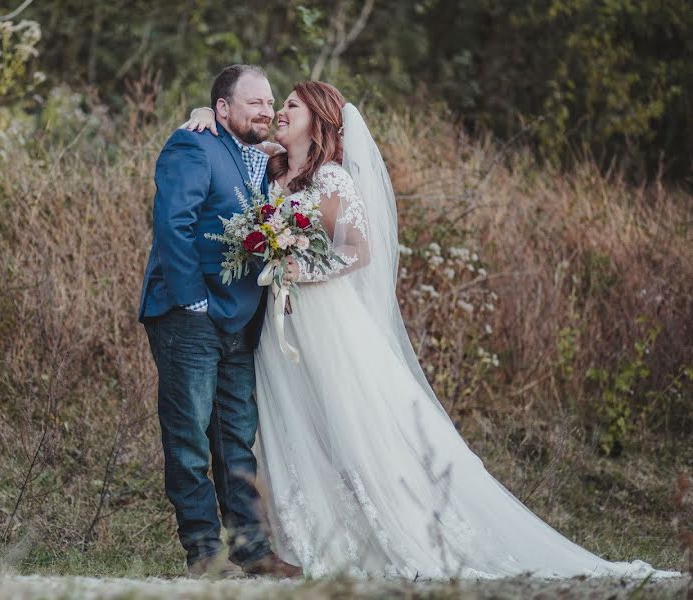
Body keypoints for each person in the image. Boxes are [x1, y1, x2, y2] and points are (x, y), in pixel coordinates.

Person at [178, 82, 681, 579]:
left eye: (290, 105)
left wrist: (298, 270)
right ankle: (302, 535)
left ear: (319, 118)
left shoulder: (330, 179)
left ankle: (389, 528)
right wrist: (205, 108)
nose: (279, 112)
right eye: (278, 104)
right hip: (280, 328)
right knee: (291, 424)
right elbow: (233, 133)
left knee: (355, 426)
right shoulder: (274, 166)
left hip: (323, 319)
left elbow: (359, 250)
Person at [138, 64, 301, 579]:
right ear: (223, 109)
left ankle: (253, 551)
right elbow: (173, 223)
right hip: (190, 316)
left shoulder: (262, 159)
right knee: (188, 438)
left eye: (271, 102)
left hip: (241, 321)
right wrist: (193, 302)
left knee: (236, 438)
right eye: (254, 102)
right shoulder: (194, 145)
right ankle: (204, 554)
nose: (267, 110)